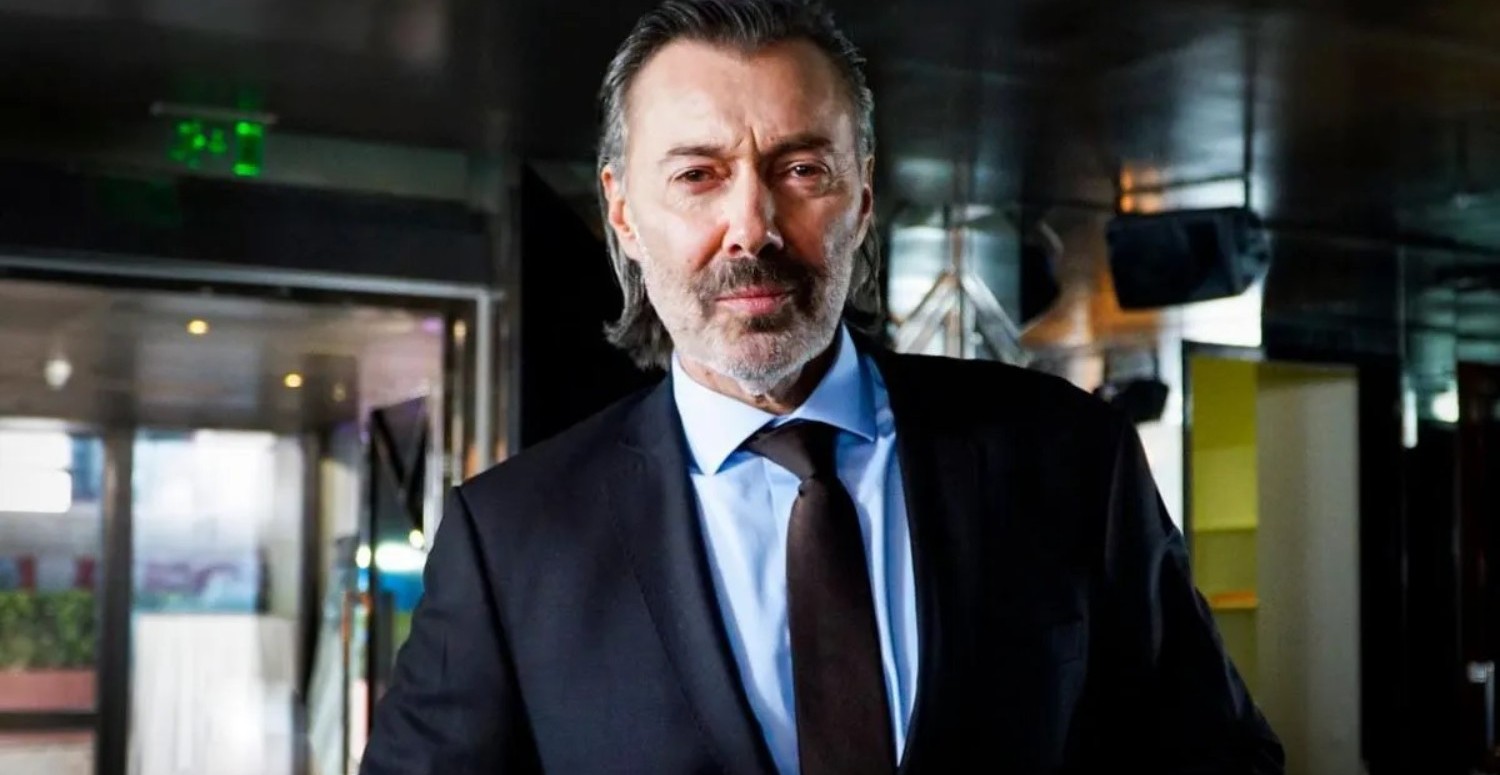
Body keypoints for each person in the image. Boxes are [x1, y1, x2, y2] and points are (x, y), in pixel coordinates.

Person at [360, 0, 1285, 772]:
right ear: (622, 212)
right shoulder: (512, 542)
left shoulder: (1070, 459)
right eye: (698, 175)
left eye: (801, 169)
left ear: (863, 197)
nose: (752, 226)